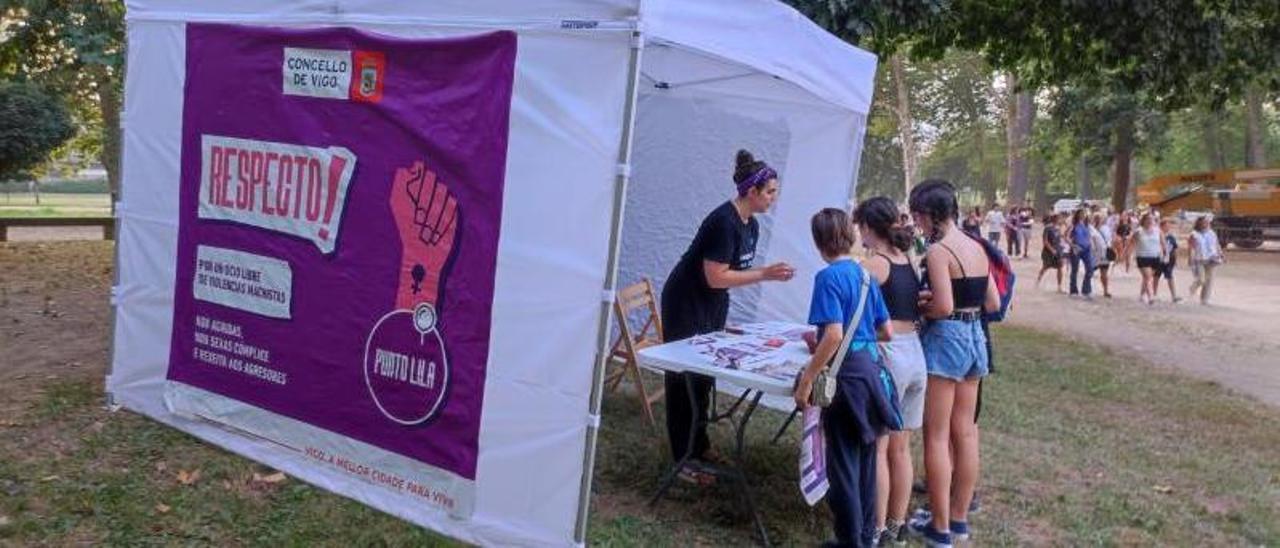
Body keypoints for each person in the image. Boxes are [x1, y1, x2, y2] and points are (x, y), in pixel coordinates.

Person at [660, 149, 795, 483]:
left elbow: (724, 279)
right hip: (685, 301)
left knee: (704, 378)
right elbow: (715, 276)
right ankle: (683, 461)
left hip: (711, 303)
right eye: (770, 192)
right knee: (683, 380)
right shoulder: (723, 222)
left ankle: (699, 445)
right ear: (752, 192)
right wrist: (766, 274)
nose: (774, 198)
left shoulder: (752, 225)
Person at [793, 208, 896, 548]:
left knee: (843, 467)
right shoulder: (865, 275)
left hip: (846, 379)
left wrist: (808, 379)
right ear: (850, 236)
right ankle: (865, 537)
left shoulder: (827, 278)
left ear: (818, 242)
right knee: (866, 460)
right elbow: (886, 331)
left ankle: (850, 540)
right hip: (871, 374)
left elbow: (834, 335)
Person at [906, 180, 1001, 548]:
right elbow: (992, 302)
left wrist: (920, 305)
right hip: (975, 336)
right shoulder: (976, 246)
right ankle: (959, 519)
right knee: (966, 432)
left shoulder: (939, 251)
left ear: (930, 215)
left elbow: (942, 307)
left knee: (937, 434)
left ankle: (939, 527)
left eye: (918, 216)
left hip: (946, 340)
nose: (916, 223)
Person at [855, 197, 926, 545]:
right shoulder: (907, 261)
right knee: (902, 448)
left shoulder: (874, 265)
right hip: (915, 353)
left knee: (880, 449)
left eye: (860, 228)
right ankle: (897, 525)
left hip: (890, 355)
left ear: (868, 227)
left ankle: (876, 529)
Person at [1188, 216, 1224, 305]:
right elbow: (1191, 247)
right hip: (1199, 258)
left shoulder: (1212, 233)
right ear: (1199, 224)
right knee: (1201, 279)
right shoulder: (1194, 234)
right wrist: (1190, 258)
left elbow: (1216, 244)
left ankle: (1204, 299)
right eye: (1204, 222)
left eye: (1207, 222)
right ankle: (1192, 289)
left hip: (1212, 258)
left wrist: (1221, 254)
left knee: (1209, 280)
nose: (1207, 224)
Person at [1133, 213, 1164, 305]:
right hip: (1142, 257)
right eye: (1148, 219)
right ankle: (1151, 297)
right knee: (1148, 277)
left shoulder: (1158, 231)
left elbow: (1163, 243)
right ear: (1144, 220)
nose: (1150, 221)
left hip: (1155, 257)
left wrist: (1165, 253)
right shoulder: (1138, 231)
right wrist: (1125, 255)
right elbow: (1130, 243)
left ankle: (1142, 294)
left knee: (1147, 278)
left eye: (1152, 219)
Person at [1067, 209, 1094, 299]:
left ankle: (1086, 290)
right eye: (1081, 214)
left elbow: (1089, 236)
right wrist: (1073, 245)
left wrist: (1090, 244)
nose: (1083, 215)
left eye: (1084, 214)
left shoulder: (1087, 225)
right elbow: (1065, 236)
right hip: (1077, 248)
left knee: (1090, 268)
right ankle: (1073, 290)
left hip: (1086, 249)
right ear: (1077, 215)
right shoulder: (1073, 225)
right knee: (1075, 269)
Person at [1154, 219, 1182, 303]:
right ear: (1161, 226)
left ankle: (1174, 295)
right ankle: (1154, 294)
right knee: (1156, 277)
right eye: (1166, 226)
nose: (1168, 227)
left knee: (1170, 276)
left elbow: (1175, 249)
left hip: (1168, 259)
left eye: (1169, 226)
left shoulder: (1171, 237)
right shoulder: (1156, 235)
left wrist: (1175, 259)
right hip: (1158, 259)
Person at [1036, 213, 1065, 292]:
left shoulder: (1058, 228)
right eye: (1058, 218)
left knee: (1060, 267)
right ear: (1054, 219)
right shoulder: (1048, 228)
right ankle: (1038, 281)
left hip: (1057, 250)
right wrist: (1051, 250)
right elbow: (1045, 241)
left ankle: (1059, 287)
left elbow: (1060, 238)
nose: (1059, 219)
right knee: (1045, 267)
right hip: (1048, 251)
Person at [1090, 214, 1113, 298]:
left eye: (1100, 218)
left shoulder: (1106, 228)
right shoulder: (1091, 228)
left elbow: (1110, 239)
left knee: (1104, 273)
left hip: (1104, 253)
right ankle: (1089, 289)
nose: (1098, 220)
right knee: (1090, 272)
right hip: (1094, 254)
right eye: (1096, 218)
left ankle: (1105, 290)